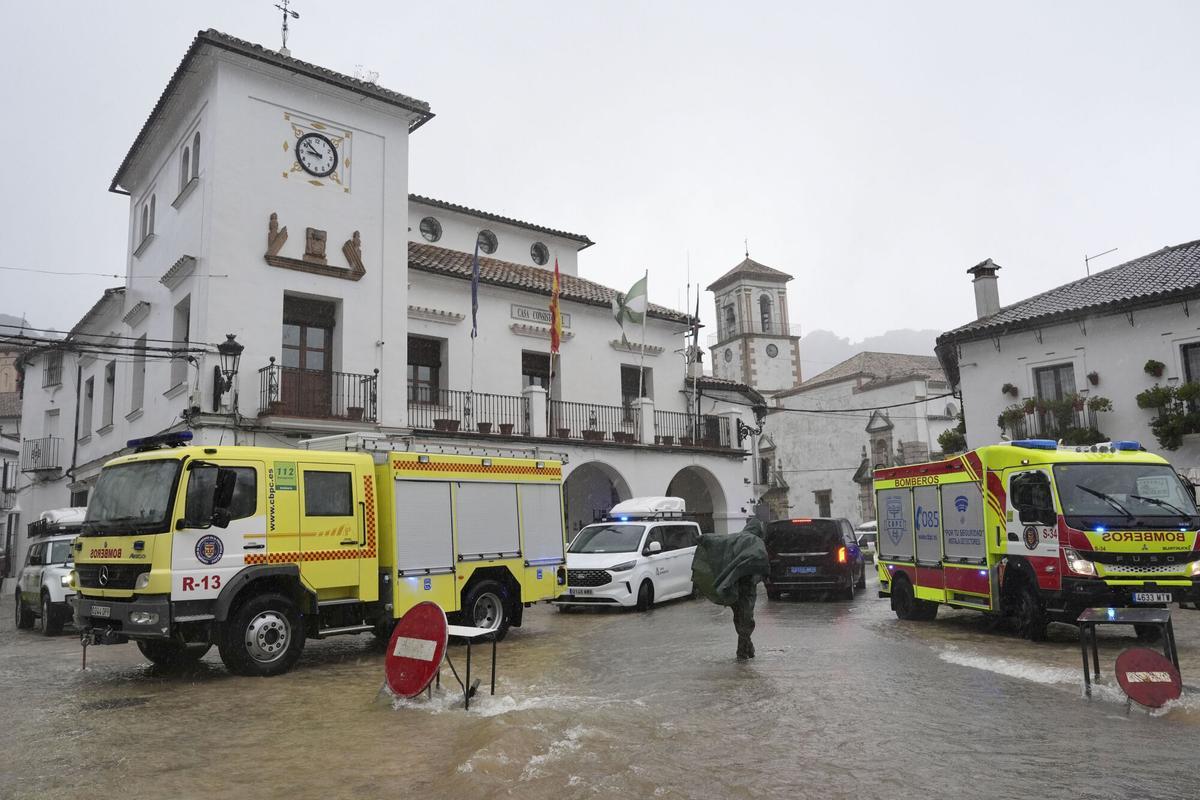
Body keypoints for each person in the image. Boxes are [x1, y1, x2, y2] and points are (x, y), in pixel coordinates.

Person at [691, 519, 770, 661]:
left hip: (732, 586)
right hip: (746, 587)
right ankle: (742, 653)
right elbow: (762, 560)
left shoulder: (735, 538)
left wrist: (703, 539)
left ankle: (748, 648)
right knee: (746, 618)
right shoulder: (755, 541)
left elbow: (717, 541)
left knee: (739, 617)